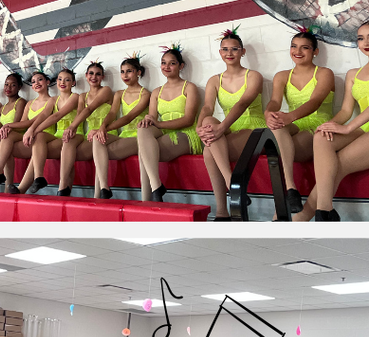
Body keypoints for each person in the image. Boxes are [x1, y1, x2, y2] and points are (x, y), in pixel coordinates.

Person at [293, 19, 369, 222]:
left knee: (340, 162)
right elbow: (346, 111)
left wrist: (347, 129)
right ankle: (324, 210)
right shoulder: (354, 73)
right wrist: (330, 125)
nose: (366, 42)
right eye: (360, 38)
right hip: (364, 128)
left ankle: (307, 215)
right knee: (321, 137)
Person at [197, 29, 267, 219]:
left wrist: (221, 128)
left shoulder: (254, 76)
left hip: (254, 127)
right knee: (208, 121)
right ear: (220, 53)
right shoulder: (214, 80)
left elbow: (243, 103)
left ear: (243, 52)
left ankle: (222, 209)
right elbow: (207, 107)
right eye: (225, 49)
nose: (229, 53)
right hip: (229, 128)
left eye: (234, 49)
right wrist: (199, 127)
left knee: (208, 150)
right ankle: (232, 185)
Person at [265, 29, 336, 213]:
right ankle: (291, 188)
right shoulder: (281, 76)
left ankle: (292, 195)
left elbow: (315, 101)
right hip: (295, 122)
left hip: (318, 124)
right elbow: (274, 101)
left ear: (315, 52)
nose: (298, 51)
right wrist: (269, 113)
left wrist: (289, 116)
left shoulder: (324, 73)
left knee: (287, 145)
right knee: (276, 126)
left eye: (305, 48)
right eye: (294, 47)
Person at [137, 45, 202, 202]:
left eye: (172, 63)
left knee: (144, 153)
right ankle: (156, 187)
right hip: (163, 131)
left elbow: (189, 119)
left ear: (181, 66)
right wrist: (147, 120)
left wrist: (159, 124)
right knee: (143, 130)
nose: (166, 67)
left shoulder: (190, 87)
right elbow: (152, 117)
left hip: (187, 133)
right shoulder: (157, 91)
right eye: (163, 63)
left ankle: (147, 199)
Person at [90, 55, 151, 198]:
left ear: (138, 73)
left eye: (129, 71)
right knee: (97, 139)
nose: (125, 75)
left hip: (139, 136)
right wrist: (103, 126)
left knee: (100, 152)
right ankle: (104, 188)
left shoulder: (145, 93)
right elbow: (112, 113)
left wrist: (104, 129)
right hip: (123, 136)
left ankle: (99, 195)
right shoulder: (119, 94)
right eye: (122, 72)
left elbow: (129, 117)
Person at [16, 69, 79, 194]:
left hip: (72, 134)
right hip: (58, 135)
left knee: (40, 147)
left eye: (67, 80)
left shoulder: (76, 97)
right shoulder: (54, 99)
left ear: (73, 83)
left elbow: (57, 115)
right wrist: (32, 129)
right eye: (60, 79)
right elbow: (44, 115)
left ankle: (23, 188)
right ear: (56, 82)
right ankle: (38, 178)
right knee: (39, 139)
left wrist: (33, 131)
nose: (63, 82)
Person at [0, 72, 53, 193]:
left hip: (47, 136)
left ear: (48, 82)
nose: (37, 83)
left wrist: (12, 125)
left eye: (40, 80)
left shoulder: (52, 100)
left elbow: (40, 118)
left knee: (38, 138)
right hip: (30, 136)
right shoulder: (30, 103)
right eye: (34, 81)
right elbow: (24, 123)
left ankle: (23, 188)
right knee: (7, 137)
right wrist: (9, 126)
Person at [57, 62, 113, 196]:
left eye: (98, 74)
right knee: (69, 142)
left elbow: (90, 109)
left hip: (106, 132)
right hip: (89, 136)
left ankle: (100, 192)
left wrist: (72, 126)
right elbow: (80, 114)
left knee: (87, 141)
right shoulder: (82, 96)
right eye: (91, 73)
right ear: (86, 76)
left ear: (102, 77)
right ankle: (62, 187)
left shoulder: (106, 90)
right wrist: (72, 130)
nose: (94, 77)